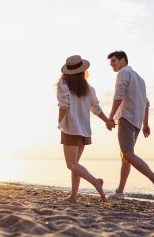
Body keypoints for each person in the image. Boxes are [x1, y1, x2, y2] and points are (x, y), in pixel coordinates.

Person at [106, 50, 154, 203]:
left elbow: (118, 96)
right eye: (110, 63)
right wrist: (145, 123)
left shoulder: (123, 73)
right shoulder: (140, 79)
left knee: (127, 154)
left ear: (122, 60)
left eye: (114, 61)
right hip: (136, 122)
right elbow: (146, 103)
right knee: (125, 157)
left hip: (127, 119)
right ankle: (120, 191)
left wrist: (110, 117)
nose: (112, 65)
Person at [57, 54, 112, 203]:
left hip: (70, 128)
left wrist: (59, 122)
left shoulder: (63, 85)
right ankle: (73, 196)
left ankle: (95, 181)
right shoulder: (88, 88)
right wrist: (107, 121)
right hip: (84, 130)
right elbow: (96, 109)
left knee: (72, 164)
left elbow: (63, 106)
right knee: (76, 165)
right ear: (82, 71)